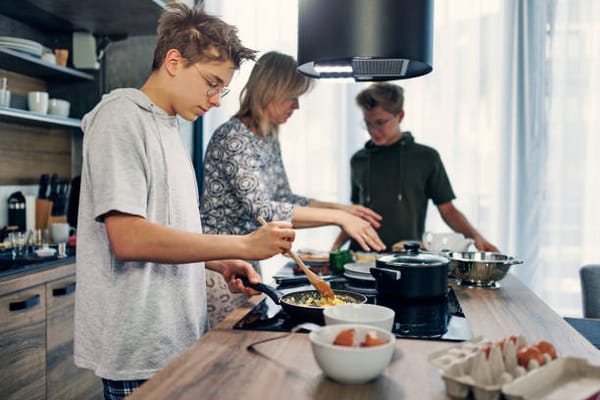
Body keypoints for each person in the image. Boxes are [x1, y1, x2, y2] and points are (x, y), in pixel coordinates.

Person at [73, 4, 296, 399]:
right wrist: (243, 244)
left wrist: (217, 261)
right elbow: (129, 240)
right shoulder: (120, 118)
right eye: (211, 82)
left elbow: (166, 228)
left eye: (222, 89)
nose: (215, 99)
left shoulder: (168, 127)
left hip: (176, 340)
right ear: (174, 61)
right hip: (140, 347)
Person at [200, 51, 385, 324]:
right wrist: (337, 218)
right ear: (269, 92)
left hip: (246, 262)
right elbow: (262, 209)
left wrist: (343, 209)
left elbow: (284, 198)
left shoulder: (266, 136)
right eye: (292, 96)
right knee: (225, 354)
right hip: (218, 266)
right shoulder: (233, 137)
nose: (296, 106)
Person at [332, 83, 498, 252]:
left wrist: (477, 238)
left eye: (380, 122)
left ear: (400, 115)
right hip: (360, 257)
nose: (374, 131)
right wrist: (334, 248)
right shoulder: (359, 159)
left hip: (407, 257)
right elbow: (354, 212)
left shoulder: (427, 157)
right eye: (368, 124)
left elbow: (448, 210)